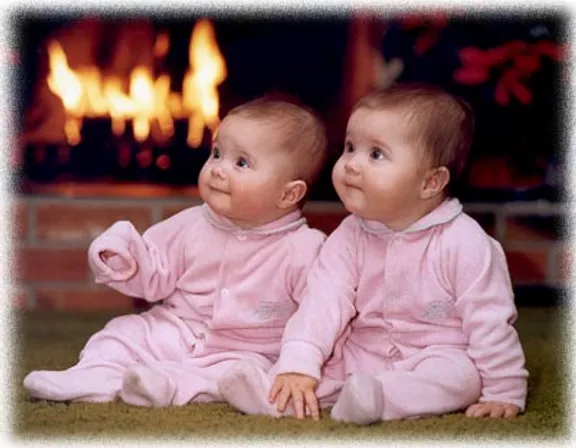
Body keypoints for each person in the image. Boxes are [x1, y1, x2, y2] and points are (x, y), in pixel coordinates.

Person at [217, 83, 529, 424]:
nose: (351, 164)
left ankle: (381, 399)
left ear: (430, 182)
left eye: (375, 154)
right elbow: (322, 302)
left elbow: (490, 322)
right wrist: (298, 363)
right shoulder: (349, 236)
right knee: (329, 363)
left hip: (438, 354)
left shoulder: (465, 243)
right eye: (350, 147)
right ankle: (275, 393)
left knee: (461, 378)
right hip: (364, 350)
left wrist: (504, 389)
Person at [23, 95, 328, 408]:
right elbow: (155, 272)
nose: (218, 170)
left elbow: (317, 315)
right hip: (176, 329)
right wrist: (126, 259)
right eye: (217, 153)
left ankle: (164, 385)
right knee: (123, 333)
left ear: (288, 193)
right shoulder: (191, 223)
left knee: (237, 375)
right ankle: (93, 376)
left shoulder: (305, 249)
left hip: (245, 350)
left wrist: (299, 360)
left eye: (241, 163)